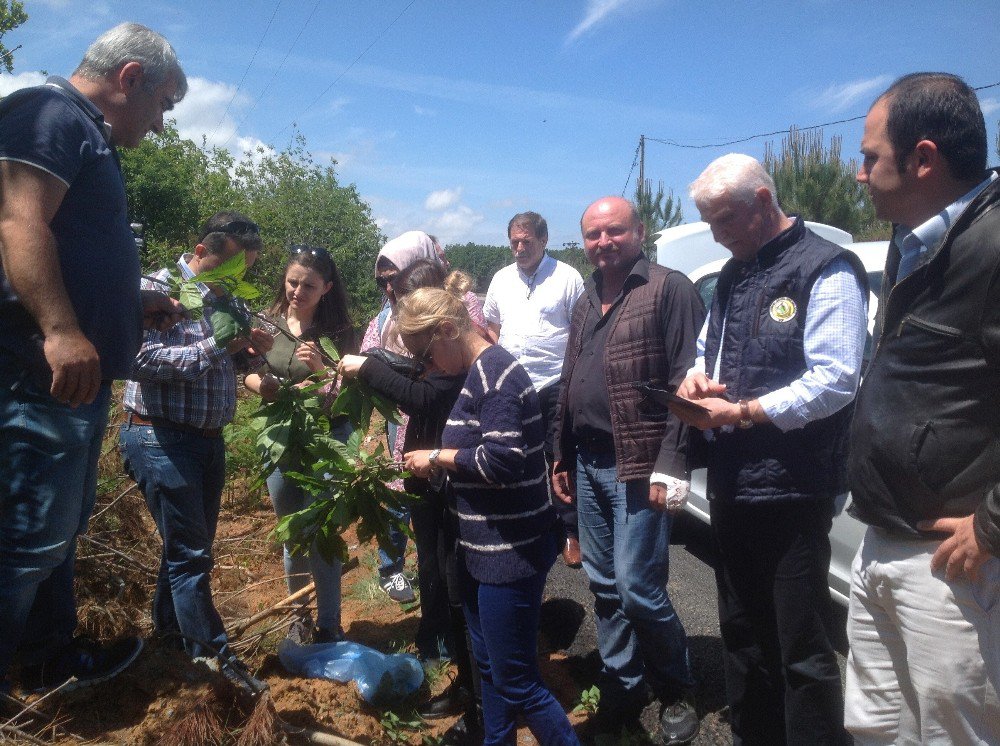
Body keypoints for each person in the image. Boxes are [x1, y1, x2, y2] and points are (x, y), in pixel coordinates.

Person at [0, 22, 187, 693]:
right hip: (37, 368)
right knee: (27, 540)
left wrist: (125, 304)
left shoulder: (83, 133)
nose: (162, 125)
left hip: (72, 381)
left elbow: (70, 248)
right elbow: (19, 221)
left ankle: (46, 658)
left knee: (57, 532)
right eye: (165, 104)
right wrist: (59, 328)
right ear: (131, 77)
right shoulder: (50, 115)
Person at [673, 153, 867, 745]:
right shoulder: (733, 275)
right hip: (734, 485)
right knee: (741, 632)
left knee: (801, 646)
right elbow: (707, 348)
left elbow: (835, 379)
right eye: (707, 223)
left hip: (793, 489)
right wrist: (694, 379)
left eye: (723, 220)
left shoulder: (826, 269)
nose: (716, 235)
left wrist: (747, 412)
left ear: (762, 202)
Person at [845, 73, 1000, 745]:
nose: (859, 174)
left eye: (870, 156)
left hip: (953, 565)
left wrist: (993, 524)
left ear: (924, 158)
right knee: (878, 729)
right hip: (880, 539)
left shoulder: (991, 247)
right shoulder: (914, 241)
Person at [552, 196, 702, 743]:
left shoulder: (668, 287)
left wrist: (672, 462)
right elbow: (571, 380)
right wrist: (560, 454)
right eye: (593, 234)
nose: (603, 242)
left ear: (640, 231)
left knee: (638, 587)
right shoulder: (587, 296)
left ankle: (677, 686)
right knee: (604, 585)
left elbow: (691, 378)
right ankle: (623, 681)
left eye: (614, 231)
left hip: (637, 464)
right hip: (587, 461)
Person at [400, 288, 578, 746]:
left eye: (425, 356)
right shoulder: (479, 372)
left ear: (447, 329)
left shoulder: (497, 375)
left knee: (518, 679)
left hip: (509, 553)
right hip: (482, 550)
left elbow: (503, 460)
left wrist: (437, 457)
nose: (428, 369)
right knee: (489, 668)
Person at [119, 211, 272, 693]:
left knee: (186, 553)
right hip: (159, 438)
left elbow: (235, 360)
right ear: (202, 252)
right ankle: (215, 666)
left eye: (243, 273)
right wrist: (217, 347)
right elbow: (139, 359)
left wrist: (255, 350)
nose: (235, 282)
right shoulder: (153, 290)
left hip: (206, 443)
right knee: (190, 558)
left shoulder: (224, 302)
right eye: (230, 271)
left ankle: (169, 638)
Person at [339, 259, 480, 730]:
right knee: (439, 569)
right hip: (429, 476)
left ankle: (478, 686)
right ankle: (460, 669)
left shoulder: (465, 351)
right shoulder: (438, 349)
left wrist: (370, 369)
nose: (420, 362)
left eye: (423, 353)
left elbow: (424, 396)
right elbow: (414, 381)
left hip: (451, 477)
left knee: (457, 580)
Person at [361, 230, 487, 605]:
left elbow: (428, 392)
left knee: (452, 545)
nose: (387, 288)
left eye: (393, 279)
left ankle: (457, 625)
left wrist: (372, 367)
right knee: (428, 539)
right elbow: (377, 356)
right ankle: (433, 618)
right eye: (383, 281)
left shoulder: (460, 319)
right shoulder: (385, 317)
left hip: (448, 447)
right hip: (413, 440)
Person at [244, 244, 357, 644]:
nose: (297, 291)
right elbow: (248, 373)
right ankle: (299, 616)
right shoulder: (264, 324)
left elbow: (351, 393)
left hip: (327, 438)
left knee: (321, 529)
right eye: (292, 282)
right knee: (292, 530)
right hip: (280, 436)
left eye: (308, 285)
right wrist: (266, 387)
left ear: (326, 287)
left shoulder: (341, 334)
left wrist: (323, 370)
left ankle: (330, 624)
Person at [483, 211, 585, 568]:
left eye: (527, 241)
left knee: (559, 456)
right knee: (515, 455)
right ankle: (525, 524)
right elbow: (491, 328)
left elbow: (581, 328)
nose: (520, 248)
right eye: (514, 242)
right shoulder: (501, 279)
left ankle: (569, 532)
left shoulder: (567, 277)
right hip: (513, 384)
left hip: (555, 380)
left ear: (544, 240)